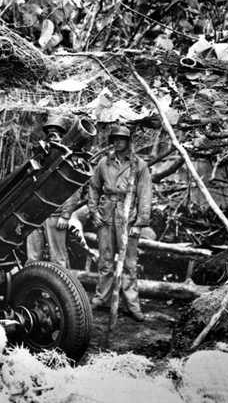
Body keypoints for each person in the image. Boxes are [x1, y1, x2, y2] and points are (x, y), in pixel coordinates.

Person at [88, 124, 152, 322]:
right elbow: (93, 187)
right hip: (106, 214)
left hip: (128, 217)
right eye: (114, 138)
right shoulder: (103, 163)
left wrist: (140, 222)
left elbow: (145, 193)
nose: (117, 141)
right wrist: (93, 211)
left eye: (122, 139)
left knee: (129, 264)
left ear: (128, 142)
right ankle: (101, 298)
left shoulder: (138, 164)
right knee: (105, 260)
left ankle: (132, 305)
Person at [26, 115, 81, 269]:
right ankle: (34, 289)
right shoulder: (39, 155)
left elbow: (75, 188)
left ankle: (62, 292)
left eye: (56, 133)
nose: (52, 136)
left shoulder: (70, 158)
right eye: (49, 132)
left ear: (62, 135)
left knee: (58, 259)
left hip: (55, 215)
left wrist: (66, 214)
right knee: (33, 257)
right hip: (36, 213)